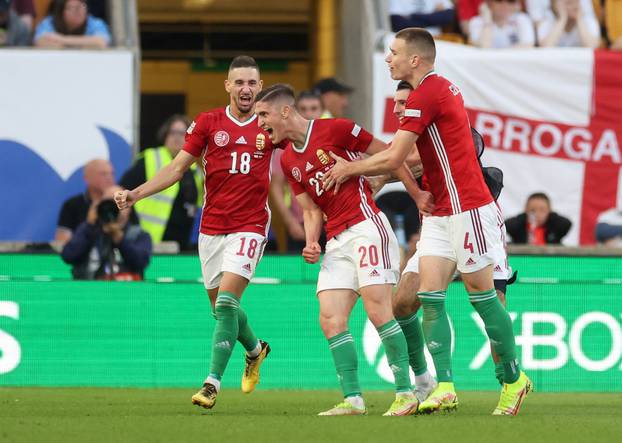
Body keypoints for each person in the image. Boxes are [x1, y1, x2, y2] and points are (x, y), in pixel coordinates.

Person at [322, 27, 531, 416]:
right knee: (429, 297)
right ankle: (445, 386)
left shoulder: (430, 92)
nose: (389, 58)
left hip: (470, 208)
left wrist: (352, 168)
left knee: (483, 300)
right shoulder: (428, 94)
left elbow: (395, 154)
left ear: (414, 59)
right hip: (439, 214)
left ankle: (514, 379)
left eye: (394, 51)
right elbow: (404, 158)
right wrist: (378, 175)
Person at [114, 56, 278, 411]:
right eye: (239, 82)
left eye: (252, 83)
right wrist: (134, 194)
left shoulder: (270, 125)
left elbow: (302, 151)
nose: (246, 89)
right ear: (227, 86)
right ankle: (255, 350)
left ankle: (211, 384)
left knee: (227, 303)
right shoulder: (208, 123)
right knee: (223, 311)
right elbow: (176, 169)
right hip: (212, 229)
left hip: (249, 226)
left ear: (260, 87)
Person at [256, 83, 422, 416]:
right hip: (336, 239)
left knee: (378, 310)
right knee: (331, 318)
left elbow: (391, 154)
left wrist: (416, 194)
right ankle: (353, 399)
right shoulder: (288, 159)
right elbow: (311, 210)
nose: (260, 123)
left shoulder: (338, 129)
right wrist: (312, 241)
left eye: (263, 115)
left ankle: (406, 391)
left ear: (285, 111)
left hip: (366, 227)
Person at [120, 115, 202, 251]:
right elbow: (123, 189)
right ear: (165, 135)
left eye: (182, 133)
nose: (177, 137)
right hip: (152, 240)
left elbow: (197, 206)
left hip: (184, 243)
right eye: (172, 132)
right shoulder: (151, 158)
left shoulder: (196, 170)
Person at [61, 185, 152, 280]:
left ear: (129, 207)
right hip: (91, 290)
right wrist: (88, 226)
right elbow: (68, 256)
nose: (113, 208)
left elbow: (141, 262)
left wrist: (121, 240)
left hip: (127, 291)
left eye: (118, 202)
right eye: (108, 203)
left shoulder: (138, 235)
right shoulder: (90, 231)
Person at [56, 158, 115, 246]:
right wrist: (88, 225)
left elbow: (136, 241)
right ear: (87, 178)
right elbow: (63, 244)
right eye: (103, 174)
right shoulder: (72, 205)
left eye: (111, 173)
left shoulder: (122, 202)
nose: (109, 178)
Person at [34, 0, 111, 49]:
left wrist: (61, 39)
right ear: (61, 12)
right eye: (72, 8)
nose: (79, 12)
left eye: (82, 7)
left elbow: (100, 43)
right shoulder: (49, 22)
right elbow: (41, 42)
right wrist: (84, 44)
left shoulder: (94, 23)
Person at [505, 192, 572, 245]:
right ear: (526, 210)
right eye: (533, 210)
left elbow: (567, 223)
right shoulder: (519, 227)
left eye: (542, 210)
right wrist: (525, 216)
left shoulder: (554, 227)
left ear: (549, 211)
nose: (537, 214)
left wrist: (550, 215)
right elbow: (506, 225)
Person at [468, 0, 536, 48]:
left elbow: (527, 46)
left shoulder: (523, 19)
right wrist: (487, 21)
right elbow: (484, 47)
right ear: (488, 2)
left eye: (510, 1)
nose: (504, 5)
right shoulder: (476, 22)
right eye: (499, 0)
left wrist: (495, 54)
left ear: (517, 4)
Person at [389, 0, 456, 36]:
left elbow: (448, 16)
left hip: (434, 41)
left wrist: (412, 16)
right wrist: (434, 16)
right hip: (408, 44)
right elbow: (397, 23)